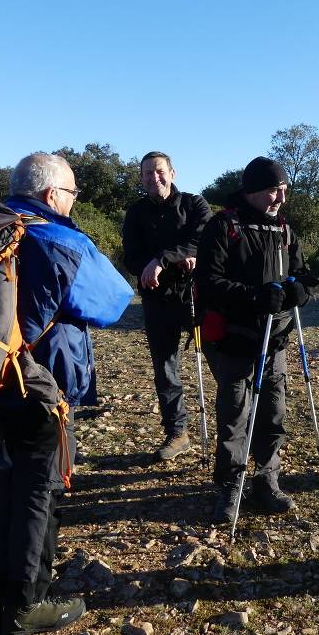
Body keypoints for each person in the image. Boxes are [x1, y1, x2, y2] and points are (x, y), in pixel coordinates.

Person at [0, 153, 133, 635]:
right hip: (37, 385)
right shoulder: (59, 240)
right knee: (38, 491)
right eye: (71, 194)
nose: (73, 202)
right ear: (51, 196)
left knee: (3, 485)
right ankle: (27, 605)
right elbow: (113, 301)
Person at [195, 156, 318, 523]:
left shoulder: (284, 230)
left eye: (283, 191)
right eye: (272, 191)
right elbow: (209, 282)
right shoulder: (223, 226)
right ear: (251, 191)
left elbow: (303, 274)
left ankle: (267, 480)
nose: (279, 198)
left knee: (273, 412)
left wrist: (300, 291)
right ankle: (230, 486)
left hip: (275, 339)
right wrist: (255, 296)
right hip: (235, 339)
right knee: (235, 415)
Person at [122, 151, 213, 462]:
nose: (154, 178)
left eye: (159, 171)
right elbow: (131, 256)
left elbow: (203, 240)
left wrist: (163, 258)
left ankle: (234, 430)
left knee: (219, 361)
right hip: (157, 299)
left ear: (172, 173)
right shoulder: (135, 212)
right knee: (165, 368)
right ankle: (178, 432)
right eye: (147, 173)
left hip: (196, 296)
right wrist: (153, 263)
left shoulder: (194, 204)